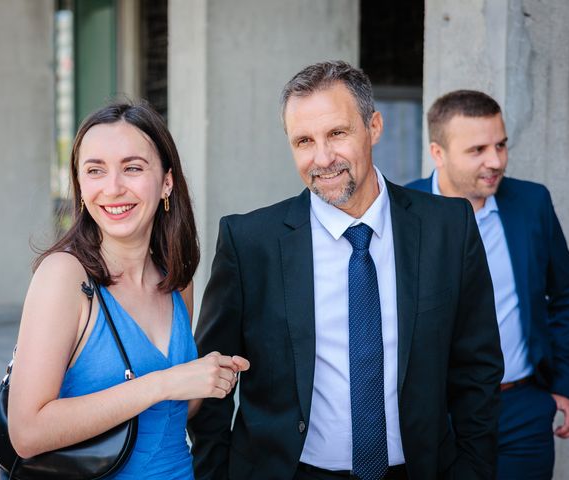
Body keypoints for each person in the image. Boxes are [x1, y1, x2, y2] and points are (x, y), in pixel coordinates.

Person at [188, 61, 503, 480]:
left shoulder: (449, 226)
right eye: (303, 141)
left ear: (373, 127)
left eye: (337, 133)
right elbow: (213, 380)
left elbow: (476, 368)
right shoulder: (249, 242)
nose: (322, 158)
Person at [7, 101, 249, 479]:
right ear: (81, 187)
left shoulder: (176, 277)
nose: (113, 188)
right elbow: (27, 432)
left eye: (133, 168)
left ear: (167, 181)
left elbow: (175, 412)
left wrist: (208, 376)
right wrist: (164, 382)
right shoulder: (64, 276)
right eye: (95, 171)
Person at [407, 89, 569, 479]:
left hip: (521, 408)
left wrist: (564, 384)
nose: (495, 161)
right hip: (435, 415)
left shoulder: (532, 203)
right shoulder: (402, 211)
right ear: (438, 153)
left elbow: (565, 295)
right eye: (477, 149)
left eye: (500, 145)